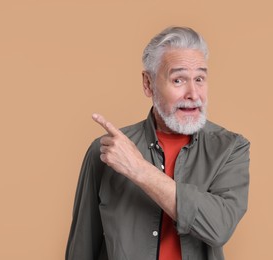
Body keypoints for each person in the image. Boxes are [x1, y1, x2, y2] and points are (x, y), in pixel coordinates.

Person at [65, 26, 250, 260]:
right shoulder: (107, 151)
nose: (193, 93)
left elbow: (219, 227)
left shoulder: (230, 148)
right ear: (148, 84)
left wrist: (139, 169)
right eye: (178, 79)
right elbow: (82, 246)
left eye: (200, 79)